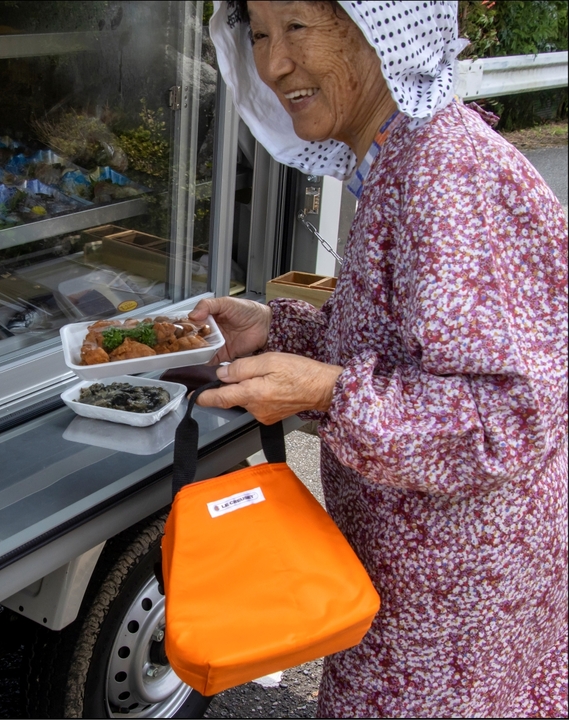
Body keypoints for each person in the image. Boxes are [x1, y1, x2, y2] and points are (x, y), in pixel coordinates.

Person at [190, 1, 568, 717]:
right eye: (261, 35)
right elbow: (407, 346)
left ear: (380, 27)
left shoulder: (447, 178)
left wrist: (329, 393)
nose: (271, 65)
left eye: (296, 28)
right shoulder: (402, 160)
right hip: (414, 579)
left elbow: (510, 416)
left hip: (452, 611)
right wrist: (277, 331)